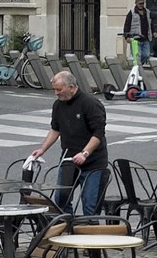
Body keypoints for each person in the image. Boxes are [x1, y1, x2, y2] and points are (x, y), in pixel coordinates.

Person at [27, 67, 110, 215]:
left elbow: (98, 133)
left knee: (90, 205)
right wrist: (42, 149)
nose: (56, 93)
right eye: (54, 90)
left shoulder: (90, 103)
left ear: (71, 88)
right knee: (61, 202)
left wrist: (85, 153)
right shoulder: (58, 105)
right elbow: (55, 129)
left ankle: (90, 232)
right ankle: (68, 230)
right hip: (68, 159)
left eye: (59, 89)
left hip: (93, 163)